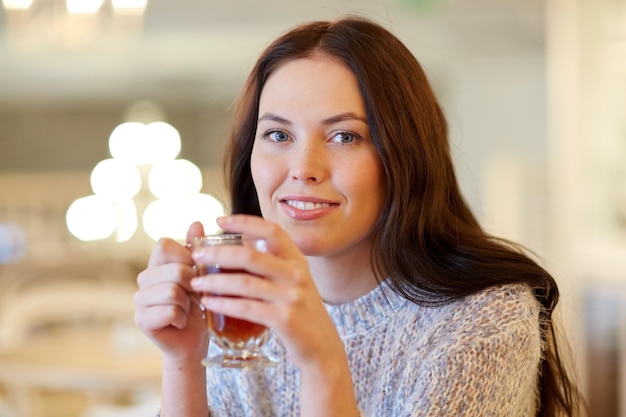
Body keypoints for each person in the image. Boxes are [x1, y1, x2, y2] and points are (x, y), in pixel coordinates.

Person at [134, 16, 586, 417]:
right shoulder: (243, 307)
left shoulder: (484, 320)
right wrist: (185, 359)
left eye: (345, 137)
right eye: (276, 133)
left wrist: (323, 362)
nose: (304, 169)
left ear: (403, 155)